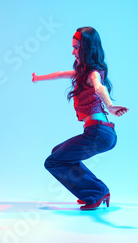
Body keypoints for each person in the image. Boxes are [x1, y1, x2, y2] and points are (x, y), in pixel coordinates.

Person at [32, 26, 128, 210]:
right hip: (99, 132)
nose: (73, 52)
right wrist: (38, 78)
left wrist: (109, 105)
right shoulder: (82, 73)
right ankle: (94, 192)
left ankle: (97, 192)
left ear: (88, 48)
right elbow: (60, 74)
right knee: (58, 154)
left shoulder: (94, 73)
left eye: (77, 48)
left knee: (53, 161)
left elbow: (100, 88)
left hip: (99, 133)